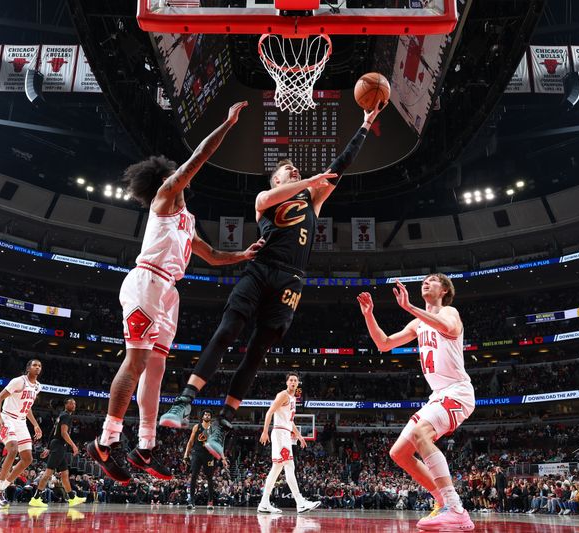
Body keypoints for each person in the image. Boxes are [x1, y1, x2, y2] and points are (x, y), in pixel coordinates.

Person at [160, 102, 386, 459]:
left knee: (257, 352)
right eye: (286, 169)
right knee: (227, 332)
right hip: (260, 268)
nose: (293, 169)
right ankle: (184, 402)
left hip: (291, 280)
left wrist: (364, 124)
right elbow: (276, 194)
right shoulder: (265, 198)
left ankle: (223, 424)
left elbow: (340, 166)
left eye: (294, 168)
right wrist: (310, 180)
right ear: (277, 179)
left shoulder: (313, 198)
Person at [86, 101, 264, 483]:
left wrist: (243, 255)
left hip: (169, 292)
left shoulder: (186, 221)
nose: (184, 180)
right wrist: (227, 124)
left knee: (157, 369)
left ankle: (145, 448)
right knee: (134, 363)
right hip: (146, 281)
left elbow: (213, 255)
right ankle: (105, 442)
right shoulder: (164, 198)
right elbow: (200, 156)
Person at [357, 275, 475, 531]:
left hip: (457, 392)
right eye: (424, 280)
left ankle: (455, 507)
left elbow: (450, 329)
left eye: (432, 281)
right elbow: (384, 344)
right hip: (438, 395)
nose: (425, 282)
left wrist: (410, 307)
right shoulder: (418, 323)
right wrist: (369, 314)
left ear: (444, 290)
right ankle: (442, 500)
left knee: (422, 434)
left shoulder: (450, 311)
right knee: (398, 453)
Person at [257, 372, 319, 514]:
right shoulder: (283, 395)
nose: (293, 382)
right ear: (287, 382)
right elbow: (269, 412)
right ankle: (300, 502)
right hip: (279, 434)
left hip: (285, 434)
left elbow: (290, 422)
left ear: (298, 384)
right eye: (290, 380)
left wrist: (300, 436)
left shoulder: (293, 398)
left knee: (276, 469)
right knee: (289, 465)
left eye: (295, 380)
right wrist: (265, 431)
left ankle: (264, 503)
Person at [0, 359, 43, 508]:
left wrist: (35, 424)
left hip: (21, 421)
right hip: (7, 417)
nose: (37, 367)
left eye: (39, 366)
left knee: (27, 459)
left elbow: (28, 407)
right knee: (12, 449)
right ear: (28, 368)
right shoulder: (19, 381)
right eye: (34, 365)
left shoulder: (38, 386)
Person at [29, 398, 86, 507]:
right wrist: (74, 446)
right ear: (65, 404)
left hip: (58, 446)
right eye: (71, 403)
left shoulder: (61, 415)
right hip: (59, 446)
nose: (73, 405)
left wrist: (48, 448)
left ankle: (72, 498)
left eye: (75, 403)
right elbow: (63, 433)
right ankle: (35, 498)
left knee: (65, 474)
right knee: (48, 473)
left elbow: (52, 432)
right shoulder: (66, 416)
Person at [182, 409, 229, 510]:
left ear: (211, 417)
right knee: (194, 476)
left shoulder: (214, 429)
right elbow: (190, 442)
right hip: (197, 453)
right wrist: (186, 454)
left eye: (209, 415)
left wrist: (223, 458)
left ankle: (210, 501)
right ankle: (191, 501)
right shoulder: (196, 427)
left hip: (209, 455)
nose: (207, 416)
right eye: (205, 414)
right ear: (202, 416)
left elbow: (219, 445)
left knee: (210, 477)